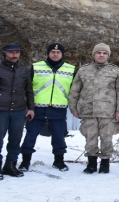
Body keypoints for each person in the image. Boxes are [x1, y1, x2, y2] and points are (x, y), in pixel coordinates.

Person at [18, 43, 75, 173]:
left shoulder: (71, 69)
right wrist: (28, 106)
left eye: (58, 52)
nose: (55, 54)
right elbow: (26, 88)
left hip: (58, 109)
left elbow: (75, 90)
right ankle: (25, 161)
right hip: (37, 109)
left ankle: (59, 161)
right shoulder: (36, 67)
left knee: (59, 136)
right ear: (48, 53)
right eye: (53, 52)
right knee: (30, 135)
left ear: (62, 54)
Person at [68, 43, 119, 174]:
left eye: (104, 53)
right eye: (99, 53)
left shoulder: (115, 71)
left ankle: (105, 163)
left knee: (107, 138)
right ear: (94, 54)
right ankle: (91, 164)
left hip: (107, 111)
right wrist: (73, 108)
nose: (101, 55)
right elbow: (75, 90)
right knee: (90, 138)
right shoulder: (83, 70)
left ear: (108, 55)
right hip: (88, 110)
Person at [0, 43, 35, 180]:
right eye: (11, 52)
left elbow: (29, 91)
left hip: (18, 111)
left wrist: (30, 108)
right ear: (5, 53)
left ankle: (10, 165)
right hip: (0, 110)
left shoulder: (24, 70)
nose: (14, 55)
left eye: (17, 52)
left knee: (15, 140)